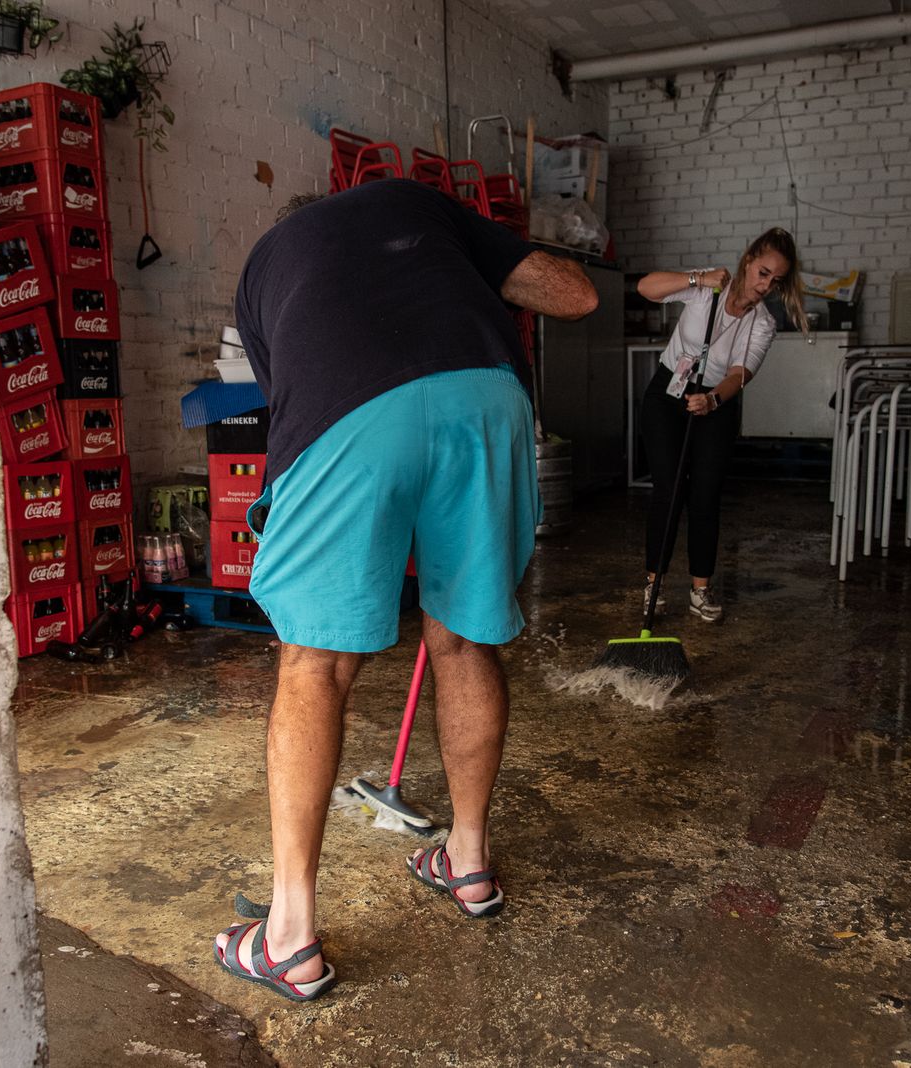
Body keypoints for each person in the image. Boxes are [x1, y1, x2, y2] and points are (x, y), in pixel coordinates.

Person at [214, 178, 596, 1001]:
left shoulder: (266, 264)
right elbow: (576, 294)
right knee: (462, 638)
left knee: (315, 664)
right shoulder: (420, 207)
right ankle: (466, 861)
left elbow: (290, 397)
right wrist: (464, 267)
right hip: (488, 399)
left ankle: (287, 936)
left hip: (350, 410)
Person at [636, 227, 807, 623]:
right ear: (748, 261)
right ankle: (653, 584)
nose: (766, 285)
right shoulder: (708, 287)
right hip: (667, 393)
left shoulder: (762, 323)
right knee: (669, 487)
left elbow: (739, 373)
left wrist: (712, 399)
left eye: (776, 280)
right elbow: (647, 287)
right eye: (763, 273)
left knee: (705, 494)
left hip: (715, 402)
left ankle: (700, 589)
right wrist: (696, 279)